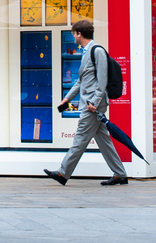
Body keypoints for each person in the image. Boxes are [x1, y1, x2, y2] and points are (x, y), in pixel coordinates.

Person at [43, 20, 129, 186]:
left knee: (80, 138)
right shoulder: (86, 52)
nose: (73, 36)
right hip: (91, 104)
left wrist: (94, 102)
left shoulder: (97, 51)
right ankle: (120, 174)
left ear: (79, 34)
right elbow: (81, 81)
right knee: (103, 140)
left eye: (74, 33)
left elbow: (102, 80)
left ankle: (63, 173)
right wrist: (67, 98)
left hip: (92, 105)